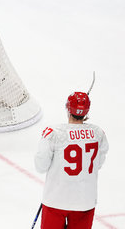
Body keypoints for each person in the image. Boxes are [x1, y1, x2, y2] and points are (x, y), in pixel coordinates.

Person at [34, 91, 109, 228]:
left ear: (68, 109)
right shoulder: (98, 133)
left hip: (56, 201)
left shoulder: (54, 133)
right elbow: (98, 163)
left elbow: (41, 165)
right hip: (85, 201)